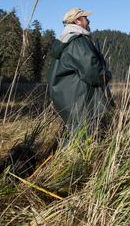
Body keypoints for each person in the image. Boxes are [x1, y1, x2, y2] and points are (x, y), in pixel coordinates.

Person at [47, 8, 113, 136]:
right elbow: (92, 72)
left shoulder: (67, 40)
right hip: (79, 99)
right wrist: (106, 75)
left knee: (76, 134)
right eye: (85, 18)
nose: (89, 21)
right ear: (77, 21)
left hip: (69, 98)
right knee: (81, 137)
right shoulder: (77, 41)